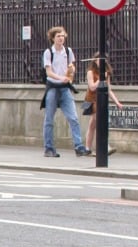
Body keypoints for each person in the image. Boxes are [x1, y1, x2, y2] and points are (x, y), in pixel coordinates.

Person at [41, 26, 87, 158]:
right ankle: (49, 148)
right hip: (53, 87)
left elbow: (71, 68)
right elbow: (49, 72)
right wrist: (61, 78)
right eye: (58, 36)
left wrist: (71, 73)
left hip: (65, 88)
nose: (61, 38)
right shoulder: (49, 52)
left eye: (62, 36)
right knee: (49, 119)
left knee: (73, 118)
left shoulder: (68, 51)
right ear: (53, 38)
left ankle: (79, 147)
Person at [83, 52, 124, 155]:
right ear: (95, 60)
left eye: (103, 60)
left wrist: (117, 102)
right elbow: (92, 87)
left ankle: (87, 148)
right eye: (99, 60)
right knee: (99, 122)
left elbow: (109, 89)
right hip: (92, 99)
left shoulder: (107, 72)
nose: (101, 62)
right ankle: (104, 146)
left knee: (93, 124)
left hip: (102, 99)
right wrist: (101, 78)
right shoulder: (90, 72)